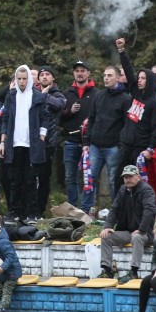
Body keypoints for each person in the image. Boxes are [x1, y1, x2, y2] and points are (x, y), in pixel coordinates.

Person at [0, 65, 50, 223]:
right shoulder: (11, 95)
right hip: (14, 144)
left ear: (29, 79)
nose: (21, 82)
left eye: (24, 78)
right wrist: (2, 141)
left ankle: (32, 212)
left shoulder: (37, 96)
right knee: (15, 179)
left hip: (32, 144)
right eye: (18, 78)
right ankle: (15, 211)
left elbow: (45, 117)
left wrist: (41, 136)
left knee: (30, 179)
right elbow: (5, 118)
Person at [115, 39, 156, 196]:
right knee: (119, 178)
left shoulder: (155, 103)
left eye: (143, 78)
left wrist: (150, 148)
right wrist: (122, 51)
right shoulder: (135, 93)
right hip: (126, 145)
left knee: (137, 182)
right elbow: (129, 73)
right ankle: (118, 210)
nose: (140, 80)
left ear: (149, 81)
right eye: (139, 77)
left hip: (140, 148)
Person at [82, 65, 131, 212]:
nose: (106, 78)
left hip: (113, 147)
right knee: (89, 178)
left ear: (118, 77)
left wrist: (121, 145)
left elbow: (127, 124)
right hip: (95, 145)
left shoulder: (125, 99)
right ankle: (86, 210)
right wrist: (86, 142)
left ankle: (116, 211)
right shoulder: (99, 96)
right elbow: (91, 119)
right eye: (104, 75)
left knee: (113, 180)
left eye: (109, 75)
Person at [98, 165, 156, 283]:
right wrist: (107, 227)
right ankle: (107, 270)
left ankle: (134, 272)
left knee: (136, 237)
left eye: (130, 176)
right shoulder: (122, 190)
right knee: (106, 236)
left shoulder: (147, 190)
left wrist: (141, 229)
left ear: (138, 177)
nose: (127, 179)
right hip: (129, 231)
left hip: (147, 232)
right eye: (125, 177)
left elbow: (149, 211)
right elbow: (114, 209)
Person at [60, 60, 97, 210]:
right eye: (77, 71)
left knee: (89, 177)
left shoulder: (97, 94)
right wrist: (69, 112)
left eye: (83, 70)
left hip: (90, 143)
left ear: (88, 73)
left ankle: (87, 209)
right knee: (70, 177)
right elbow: (58, 117)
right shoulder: (66, 94)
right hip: (71, 140)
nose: (80, 73)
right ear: (73, 73)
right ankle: (73, 209)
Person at [36, 66, 67, 216]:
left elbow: (60, 105)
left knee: (43, 178)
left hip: (48, 143)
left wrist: (44, 96)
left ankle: (40, 210)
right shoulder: (32, 93)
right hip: (32, 143)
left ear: (53, 78)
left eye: (47, 74)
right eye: (41, 75)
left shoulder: (57, 95)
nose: (44, 77)